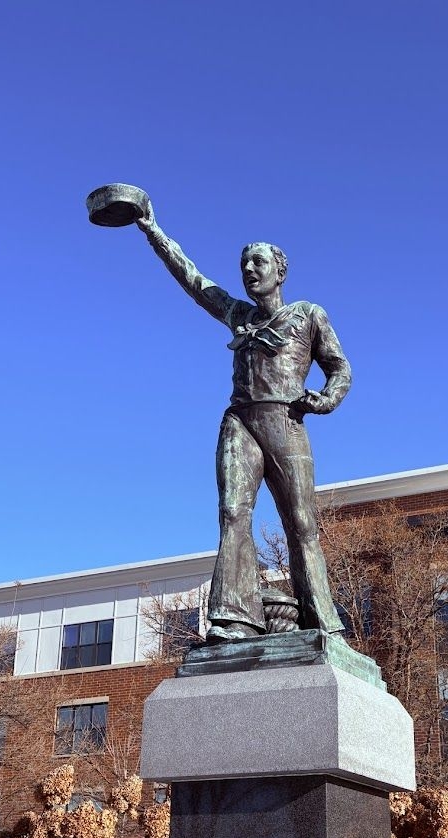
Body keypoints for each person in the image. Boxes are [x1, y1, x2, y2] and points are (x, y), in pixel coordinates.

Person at [136, 200, 352, 643]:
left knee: (301, 523)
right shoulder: (239, 315)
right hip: (241, 421)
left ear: (280, 271)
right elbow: (194, 281)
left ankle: (323, 623)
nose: (249, 269)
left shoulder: (309, 315)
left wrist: (325, 399)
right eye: (243, 263)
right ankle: (236, 619)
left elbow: (340, 367)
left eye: (258, 261)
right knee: (233, 512)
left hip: (286, 419)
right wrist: (153, 230)